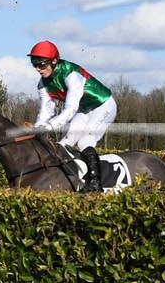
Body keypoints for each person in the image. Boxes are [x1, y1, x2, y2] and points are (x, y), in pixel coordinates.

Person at [29, 40, 117, 192]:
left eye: (41, 64)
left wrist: (49, 127)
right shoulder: (42, 84)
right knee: (65, 143)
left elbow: (70, 109)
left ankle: (95, 184)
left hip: (104, 105)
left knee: (85, 141)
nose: (38, 69)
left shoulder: (71, 74)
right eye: (34, 64)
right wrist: (38, 127)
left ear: (54, 61)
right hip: (85, 108)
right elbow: (46, 111)